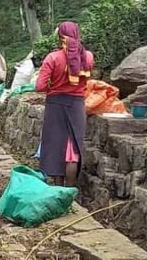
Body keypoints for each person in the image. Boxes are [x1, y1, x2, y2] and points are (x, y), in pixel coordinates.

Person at [36, 21, 94, 187]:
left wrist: (53, 87)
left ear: (60, 37)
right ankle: (71, 192)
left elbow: (39, 86)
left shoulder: (53, 58)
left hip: (55, 105)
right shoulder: (88, 57)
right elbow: (86, 80)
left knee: (55, 148)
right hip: (77, 106)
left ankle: (58, 190)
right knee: (72, 150)